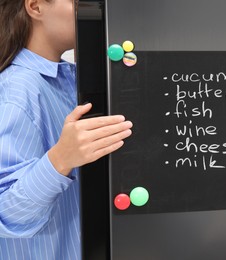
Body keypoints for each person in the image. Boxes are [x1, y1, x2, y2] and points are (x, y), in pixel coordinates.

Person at [0, 0, 133, 259]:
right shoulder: (16, 91)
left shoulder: (74, 78)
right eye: (75, 1)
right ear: (35, 6)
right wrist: (61, 158)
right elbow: (5, 212)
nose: (89, 8)